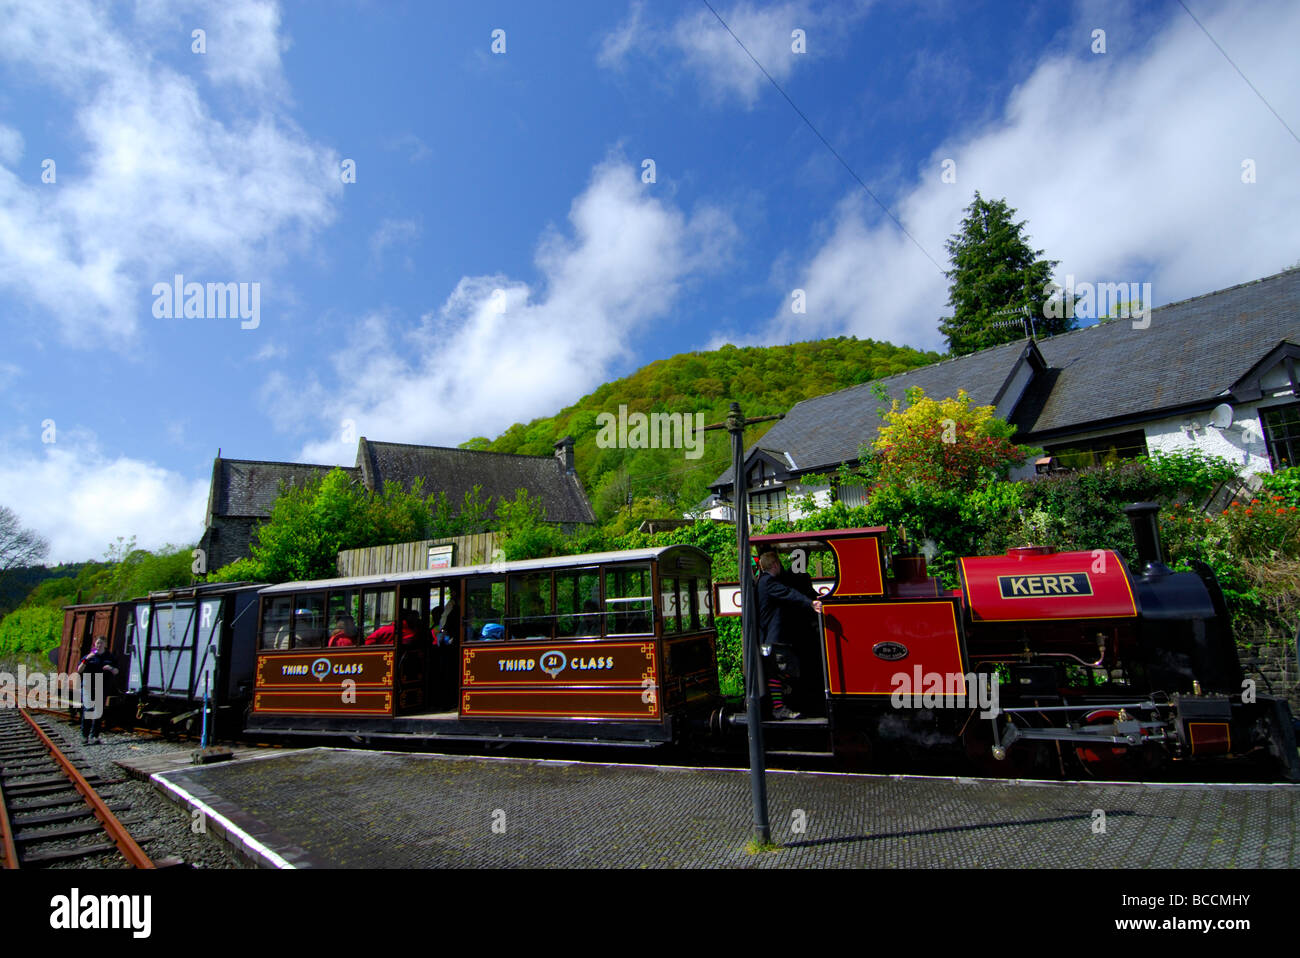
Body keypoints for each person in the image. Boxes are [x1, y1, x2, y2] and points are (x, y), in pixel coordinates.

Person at [756, 552, 822, 720]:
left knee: (780, 671)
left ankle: (783, 697)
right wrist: (810, 603)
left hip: (774, 636)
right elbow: (788, 593)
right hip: (775, 637)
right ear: (775, 565)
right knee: (783, 671)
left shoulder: (764, 582)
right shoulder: (768, 582)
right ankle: (779, 706)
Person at [76, 637, 119, 744]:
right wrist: (86, 660)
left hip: (102, 684)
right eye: (97, 643)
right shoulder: (90, 656)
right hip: (88, 684)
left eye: (101, 643)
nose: (99, 645)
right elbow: (79, 670)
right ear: (95, 644)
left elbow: (116, 671)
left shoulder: (110, 657)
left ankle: (95, 736)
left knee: (98, 712)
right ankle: (84, 736)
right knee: (88, 710)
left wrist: (110, 668)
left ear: (105, 645)